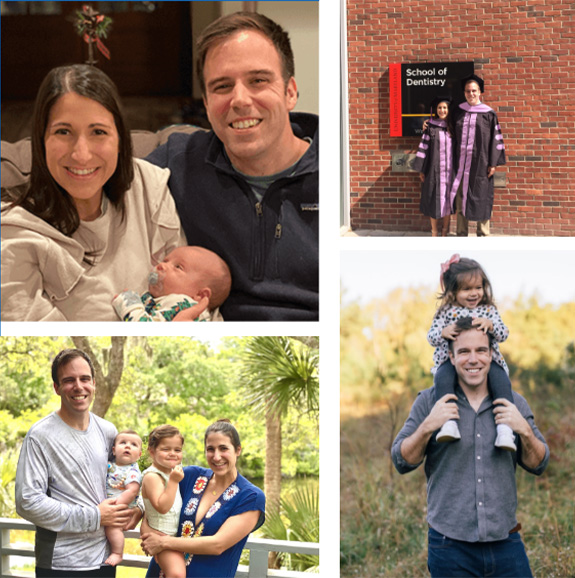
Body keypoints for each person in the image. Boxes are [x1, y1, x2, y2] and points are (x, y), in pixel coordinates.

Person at [146, 12, 318, 321]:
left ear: (290, 91)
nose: (239, 100)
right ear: (207, 103)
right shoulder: (177, 162)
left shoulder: (340, 177)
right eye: (223, 86)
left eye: (258, 81)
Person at [1, 64, 184, 321]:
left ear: (120, 138)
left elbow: (188, 293)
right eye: (63, 132)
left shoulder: (148, 186)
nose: (81, 154)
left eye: (98, 132)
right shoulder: (14, 234)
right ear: (41, 140)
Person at [392, 317, 549, 578]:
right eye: (464, 351)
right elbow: (401, 460)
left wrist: (523, 430)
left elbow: (539, 463)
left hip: (505, 542)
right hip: (449, 546)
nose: (473, 359)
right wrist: (428, 426)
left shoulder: (514, 403)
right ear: (451, 358)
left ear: (491, 355)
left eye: (481, 351)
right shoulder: (429, 401)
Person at [15, 349, 139, 577]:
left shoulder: (108, 431)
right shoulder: (40, 436)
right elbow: (27, 501)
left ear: (94, 383)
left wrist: (137, 509)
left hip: (105, 559)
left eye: (84, 379)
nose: (78, 386)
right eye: (69, 380)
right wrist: (95, 516)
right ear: (57, 387)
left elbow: (127, 477)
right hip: (61, 563)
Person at [140, 419, 266, 578]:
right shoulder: (189, 476)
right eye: (210, 449)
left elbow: (217, 544)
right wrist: (142, 519)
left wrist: (161, 543)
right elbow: (153, 502)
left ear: (238, 450)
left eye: (223, 448)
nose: (217, 456)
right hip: (162, 573)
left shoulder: (250, 496)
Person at [428, 254, 515, 450]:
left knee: (501, 382)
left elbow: (504, 334)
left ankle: (505, 430)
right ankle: (449, 423)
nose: (474, 293)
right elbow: (431, 337)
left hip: (488, 361)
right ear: (453, 291)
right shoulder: (446, 312)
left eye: (478, 287)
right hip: (450, 362)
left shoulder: (489, 310)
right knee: (442, 381)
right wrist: (444, 332)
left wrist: (491, 325)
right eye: (467, 289)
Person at [449, 74, 506, 236]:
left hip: (481, 164)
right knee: (461, 199)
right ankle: (461, 233)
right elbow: (449, 131)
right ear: (464, 93)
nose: (471, 94)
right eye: (468, 91)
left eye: (474, 90)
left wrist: (493, 163)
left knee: (482, 196)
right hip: (461, 165)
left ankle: (483, 233)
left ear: (480, 92)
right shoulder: (458, 111)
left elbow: (496, 140)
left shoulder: (488, 114)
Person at [112, 246, 231, 322]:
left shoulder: (184, 304)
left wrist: (129, 303)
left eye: (178, 267)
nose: (161, 265)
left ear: (200, 295)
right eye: (165, 261)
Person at [141, 425, 187, 578]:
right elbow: (162, 507)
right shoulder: (152, 477)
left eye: (177, 450)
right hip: (160, 535)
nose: (172, 454)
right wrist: (174, 482)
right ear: (152, 451)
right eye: (166, 449)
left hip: (170, 536)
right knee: (177, 574)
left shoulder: (170, 473)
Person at [412, 97, 454, 236]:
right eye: (440, 108)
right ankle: (434, 231)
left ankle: (444, 231)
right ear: (436, 110)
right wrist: (422, 169)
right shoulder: (430, 126)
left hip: (450, 171)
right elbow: (423, 147)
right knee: (433, 201)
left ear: (449, 110)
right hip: (434, 170)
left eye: (445, 108)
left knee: (448, 201)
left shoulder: (454, 126)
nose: (442, 110)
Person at [104, 430, 143, 567]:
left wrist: (116, 505)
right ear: (114, 451)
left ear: (139, 455)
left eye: (133, 444)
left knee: (112, 528)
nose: (127, 446)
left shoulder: (132, 472)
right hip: (108, 506)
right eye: (123, 443)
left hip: (122, 507)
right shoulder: (110, 466)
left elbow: (132, 491)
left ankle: (117, 553)